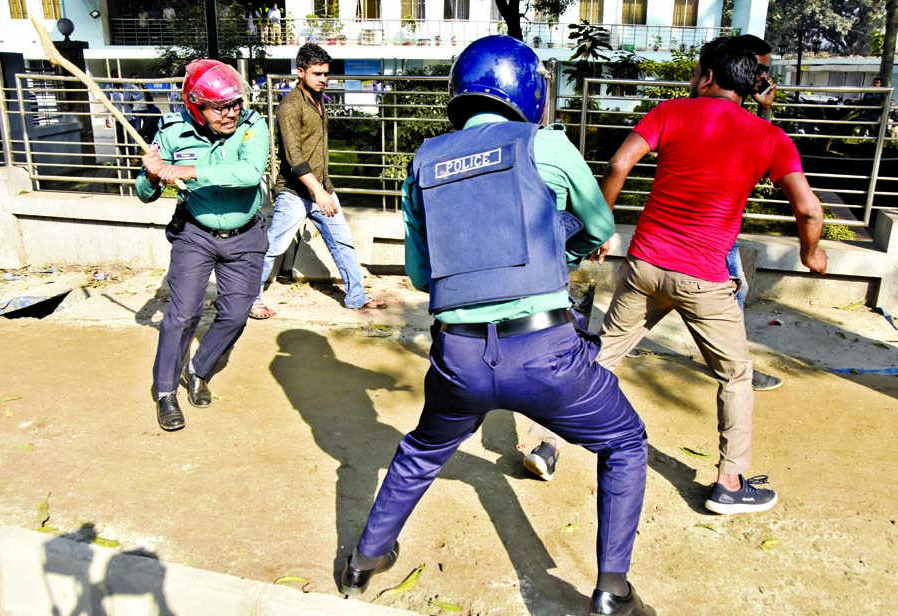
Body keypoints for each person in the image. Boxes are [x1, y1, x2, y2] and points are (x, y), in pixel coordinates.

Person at [337, 36, 654, 616]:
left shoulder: (424, 159)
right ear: (528, 92)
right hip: (546, 353)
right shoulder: (546, 144)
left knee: (421, 451)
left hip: (457, 357)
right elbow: (599, 224)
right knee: (626, 443)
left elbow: (419, 271)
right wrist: (562, 245)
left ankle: (363, 561)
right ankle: (612, 591)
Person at [595, 36, 827, 514]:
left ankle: (547, 445)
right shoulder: (770, 137)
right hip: (705, 279)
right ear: (749, 82)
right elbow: (808, 210)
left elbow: (619, 163)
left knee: (603, 357)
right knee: (736, 376)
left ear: (707, 77)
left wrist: (602, 225)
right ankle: (730, 482)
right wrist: (811, 253)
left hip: (645, 266)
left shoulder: (671, 112)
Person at [135, 59, 270, 431]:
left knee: (236, 314)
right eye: (220, 106)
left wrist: (188, 170)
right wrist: (151, 174)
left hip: (246, 236)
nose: (231, 112)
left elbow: (249, 174)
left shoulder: (252, 126)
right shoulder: (173, 132)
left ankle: (199, 370)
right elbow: (145, 193)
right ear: (197, 106)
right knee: (182, 314)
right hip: (195, 234)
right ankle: (165, 393)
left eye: (235, 103)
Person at [251, 43, 384, 319]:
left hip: (322, 188)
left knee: (343, 242)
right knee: (273, 246)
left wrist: (324, 190)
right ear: (301, 72)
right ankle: (249, 299)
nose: (324, 79)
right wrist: (318, 193)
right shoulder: (290, 107)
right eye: (317, 73)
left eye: (326, 73)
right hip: (295, 192)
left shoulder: (319, 99)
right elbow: (294, 157)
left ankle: (356, 297)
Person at [726, 34, 782, 391]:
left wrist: (763, 110)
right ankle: (739, 371)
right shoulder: (719, 107)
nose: (763, 76)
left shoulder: (739, 111)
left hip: (720, 225)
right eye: (759, 68)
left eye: (766, 70)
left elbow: (759, 158)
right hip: (709, 229)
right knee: (734, 293)